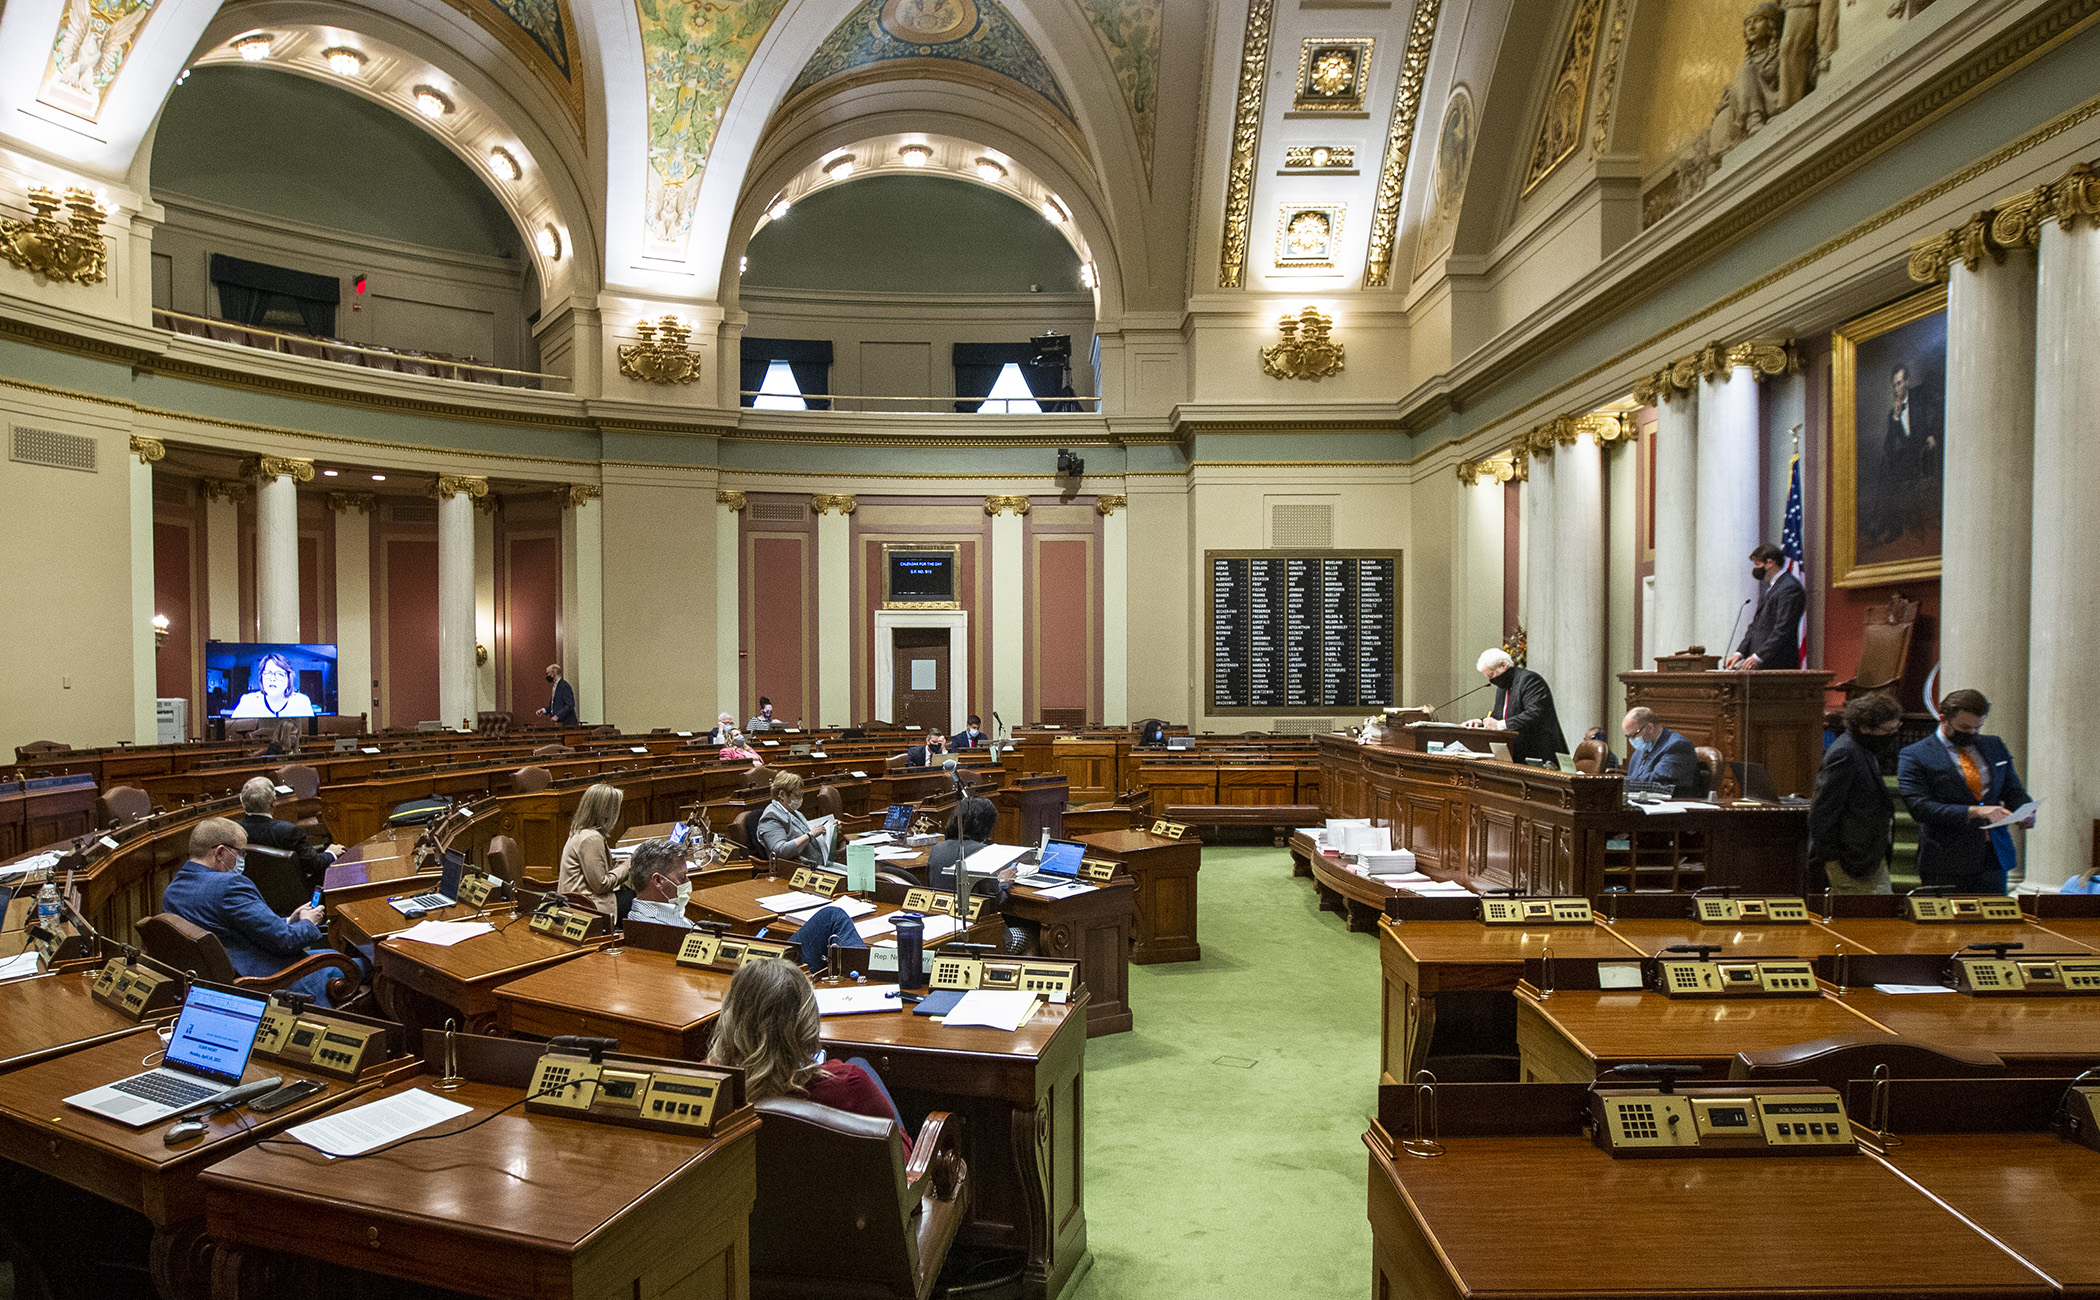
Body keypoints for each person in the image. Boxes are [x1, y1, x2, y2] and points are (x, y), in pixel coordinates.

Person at [706, 959, 909, 1155]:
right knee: (859, 1062)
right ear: (806, 1022)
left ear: (730, 1017)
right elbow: (902, 1163)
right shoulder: (850, 1084)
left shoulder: (707, 1087)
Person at [162, 818, 343, 1006]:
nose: (242, 859)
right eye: (240, 852)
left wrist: (290, 920)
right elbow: (286, 941)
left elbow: (237, 930)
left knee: (331, 953)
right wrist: (308, 922)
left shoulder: (172, 891)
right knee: (358, 965)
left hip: (221, 982)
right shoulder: (230, 886)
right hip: (270, 981)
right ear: (220, 852)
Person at [1897, 689, 2034, 895]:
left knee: (1994, 924)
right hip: (1946, 859)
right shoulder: (1915, 755)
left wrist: (2025, 810)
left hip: (1993, 855)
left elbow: (2012, 788)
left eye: (1977, 727)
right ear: (1943, 719)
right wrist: (1976, 811)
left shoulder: (1993, 745)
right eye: (1964, 727)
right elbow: (1921, 808)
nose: (1971, 733)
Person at [1810, 693, 1902, 895]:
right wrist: (1833, 858)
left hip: (1870, 857)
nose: (1893, 735)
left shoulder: (1863, 747)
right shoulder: (1845, 753)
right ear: (1865, 728)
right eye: (1888, 730)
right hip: (1851, 862)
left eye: (1896, 728)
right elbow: (1823, 811)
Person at [235, 776, 344, 888]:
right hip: (294, 895)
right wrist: (331, 853)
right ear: (273, 803)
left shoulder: (235, 830)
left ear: (243, 802)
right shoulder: (289, 831)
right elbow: (313, 865)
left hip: (254, 892)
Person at [1463, 648, 1566, 765]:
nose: (1491, 680)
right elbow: (1498, 716)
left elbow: (1534, 713)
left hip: (1538, 753)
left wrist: (1499, 725)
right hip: (1515, 754)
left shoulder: (1530, 680)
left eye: (1491, 675)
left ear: (1503, 665)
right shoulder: (1503, 688)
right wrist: (1480, 722)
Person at [1723, 544, 1806, 670]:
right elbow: (1757, 625)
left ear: (1770, 563)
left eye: (1757, 564)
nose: (1755, 569)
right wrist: (1740, 653)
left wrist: (1759, 656)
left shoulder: (1790, 587)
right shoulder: (1771, 587)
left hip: (1778, 663)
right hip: (1762, 663)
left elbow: (1783, 628)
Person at [558, 783, 632, 920]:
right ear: (605, 811)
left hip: (577, 900)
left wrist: (615, 868)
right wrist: (626, 866)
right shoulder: (591, 839)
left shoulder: (580, 832)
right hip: (588, 906)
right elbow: (601, 885)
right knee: (638, 899)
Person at [757, 771, 833, 870]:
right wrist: (810, 835)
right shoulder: (771, 816)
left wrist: (831, 828)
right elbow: (779, 851)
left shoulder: (794, 812)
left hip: (815, 864)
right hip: (799, 869)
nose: (801, 799)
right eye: (797, 796)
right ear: (782, 794)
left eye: (802, 795)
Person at [1620, 707, 1699, 797]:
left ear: (1650, 728)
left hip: (1671, 806)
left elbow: (1657, 782)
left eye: (1633, 735)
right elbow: (1635, 778)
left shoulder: (1677, 746)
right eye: (1628, 736)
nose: (1632, 740)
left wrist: (1618, 783)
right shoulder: (1642, 748)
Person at [623, 839, 693, 928]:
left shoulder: (648, 913)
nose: (688, 882)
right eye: (681, 877)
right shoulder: (661, 929)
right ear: (658, 881)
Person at [230, 652, 315, 719]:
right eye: (267, 673)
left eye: (279, 674)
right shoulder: (248, 701)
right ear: (261, 678)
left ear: (288, 679)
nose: (272, 678)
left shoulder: (302, 702)